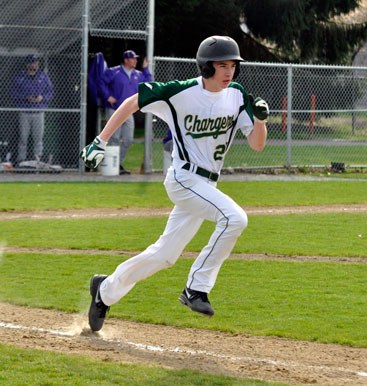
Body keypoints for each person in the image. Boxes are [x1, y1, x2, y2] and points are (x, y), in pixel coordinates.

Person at [81, 36, 269, 332]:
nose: (229, 71)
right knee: (235, 218)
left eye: (233, 65)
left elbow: (257, 144)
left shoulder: (236, 95)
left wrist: (259, 120)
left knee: (164, 255)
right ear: (206, 67)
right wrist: (100, 140)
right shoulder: (180, 92)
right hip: (184, 177)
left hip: (207, 186)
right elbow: (133, 102)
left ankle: (105, 290)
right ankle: (196, 288)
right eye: (222, 65)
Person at [98, 50, 152, 174]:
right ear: (126, 60)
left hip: (128, 111)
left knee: (128, 139)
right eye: (133, 58)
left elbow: (149, 85)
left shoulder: (137, 74)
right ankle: (110, 165)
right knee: (114, 138)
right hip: (114, 108)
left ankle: (117, 163)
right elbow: (101, 83)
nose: (136, 61)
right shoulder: (114, 71)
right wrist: (107, 96)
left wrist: (146, 69)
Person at [11, 54, 53, 164]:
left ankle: (37, 160)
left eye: (36, 62)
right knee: (23, 138)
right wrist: (26, 97)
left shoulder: (43, 76)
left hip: (39, 111)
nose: (34, 65)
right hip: (24, 111)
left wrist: (42, 97)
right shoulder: (20, 77)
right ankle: (21, 160)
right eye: (32, 63)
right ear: (27, 64)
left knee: (38, 138)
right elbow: (13, 93)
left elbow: (50, 92)